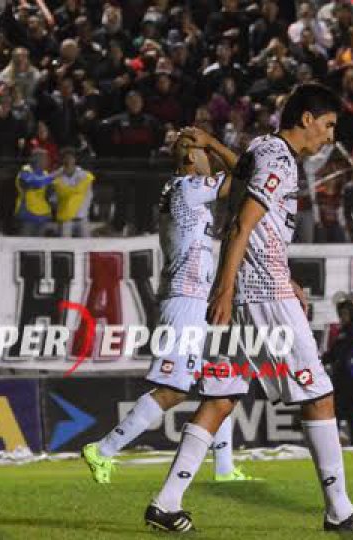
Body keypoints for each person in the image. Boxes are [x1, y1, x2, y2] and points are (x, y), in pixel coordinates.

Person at [145, 83, 353, 533]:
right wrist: (223, 290)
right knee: (319, 395)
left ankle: (166, 501)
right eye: (327, 125)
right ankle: (340, 512)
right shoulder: (281, 160)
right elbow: (242, 223)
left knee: (222, 397)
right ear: (306, 120)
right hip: (262, 296)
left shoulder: (264, 146)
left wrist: (210, 143)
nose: (328, 136)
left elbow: (242, 172)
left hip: (255, 289)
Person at [81, 127, 253, 485]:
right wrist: (215, 143)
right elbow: (247, 177)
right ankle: (104, 449)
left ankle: (223, 468)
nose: (212, 158)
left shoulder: (181, 190)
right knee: (174, 389)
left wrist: (211, 146)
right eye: (205, 153)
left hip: (195, 299)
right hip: (185, 301)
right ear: (192, 157)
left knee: (224, 379)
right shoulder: (189, 189)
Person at [322, 294, 353, 447]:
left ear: (351, 314)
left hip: (347, 376)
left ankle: (333, 444)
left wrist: (319, 362)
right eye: (340, 314)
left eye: (344, 314)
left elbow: (337, 353)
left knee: (337, 410)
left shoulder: (347, 332)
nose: (341, 318)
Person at [52, 147, 94, 238]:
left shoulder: (85, 175)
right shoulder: (56, 176)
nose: (68, 160)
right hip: (65, 220)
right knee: (65, 248)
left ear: (75, 159)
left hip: (82, 218)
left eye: (70, 157)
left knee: (86, 247)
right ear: (62, 159)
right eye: (65, 158)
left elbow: (89, 195)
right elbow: (55, 198)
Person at [14, 147, 54, 236]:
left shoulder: (46, 174)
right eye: (45, 158)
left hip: (43, 216)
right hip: (28, 215)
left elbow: (49, 195)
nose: (47, 161)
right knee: (25, 245)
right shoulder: (25, 171)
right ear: (36, 159)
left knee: (39, 247)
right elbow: (34, 184)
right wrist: (53, 176)